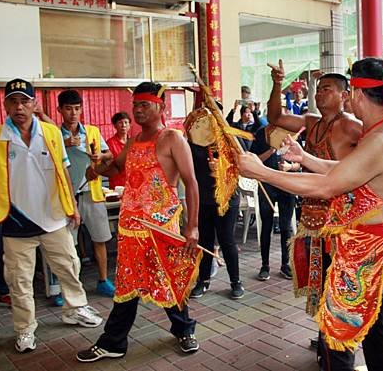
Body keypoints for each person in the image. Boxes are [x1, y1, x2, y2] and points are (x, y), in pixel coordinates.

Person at [238, 57, 383, 371]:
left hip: (368, 248)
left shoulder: (380, 137)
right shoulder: (382, 131)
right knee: (373, 329)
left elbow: (329, 186)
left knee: (336, 334)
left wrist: (263, 173)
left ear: (354, 94)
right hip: (370, 242)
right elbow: (345, 171)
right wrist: (305, 157)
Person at [76, 82, 201, 362]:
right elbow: (117, 167)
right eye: (135, 105)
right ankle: (114, 342)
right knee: (126, 285)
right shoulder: (133, 141)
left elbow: (191, 184)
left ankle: (184, 330)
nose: (138, 110)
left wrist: (192, 226)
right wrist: (98, 166)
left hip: (162, 227)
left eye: (144, 105)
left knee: (169, 280)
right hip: (131, 228)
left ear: (161, 107)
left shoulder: (172, 138)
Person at [0, 79, 102, 353]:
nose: (19, 107)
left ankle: (75, 309)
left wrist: (71, 206)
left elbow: (64, 172)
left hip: (54, 217)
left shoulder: (51, 133)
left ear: (35, 104)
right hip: (15, 222)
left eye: (25, 101)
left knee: (70, 267)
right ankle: (25, 329)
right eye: (13, 101)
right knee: (19, 279)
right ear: (5, 105)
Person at [265, 59, 361, 318]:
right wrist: (277, 83)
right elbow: (275, 118)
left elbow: (370, 161)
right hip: (310, 214)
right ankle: (324, 335)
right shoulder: (311, 121)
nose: (319, 93)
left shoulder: (352, 126)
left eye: (326, 89)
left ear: (344, 95)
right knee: (317, 278)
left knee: (339, 279)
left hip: (339, 217)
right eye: (318, 89)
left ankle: (338, 335)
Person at [57, 89, 115, 297]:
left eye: (77, 109)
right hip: (67, 197)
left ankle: (103, 280)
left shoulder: (91, 131)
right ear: (60, 110)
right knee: (66, 246)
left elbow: (110, 155)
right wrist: (64, 144)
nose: (73, 113)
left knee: (100, 239)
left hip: (92, 193)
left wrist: (101, 154)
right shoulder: (53, 134)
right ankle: (69, 289)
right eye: (68, 109)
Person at [186, 107, 244, 300]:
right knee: (205, 241)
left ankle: (235, 282)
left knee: (227, 239)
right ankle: (203, 281)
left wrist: (222, 166)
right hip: (202, 197)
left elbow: (245, 164)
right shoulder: (193, 138)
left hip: (226, 197)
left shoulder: (230, 137)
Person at [251, 118, 298, 281]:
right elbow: (254, 161)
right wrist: (271, 150)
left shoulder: (291, 133)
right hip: (267, 185)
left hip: (287, 184)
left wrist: (289, 167)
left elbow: (300, 162)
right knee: (266, 225)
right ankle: (265, 265)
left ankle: (286, 264)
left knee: (286, 227)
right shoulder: (260, 133)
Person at [106, 111, 131, 189]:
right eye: (120, 122)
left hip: (133, 184)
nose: (123, 125)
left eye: (126, 122)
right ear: (115, 126)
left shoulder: (134, 142)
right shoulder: (110, 143)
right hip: (117, 185)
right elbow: (107, 165)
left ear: (130, 125)